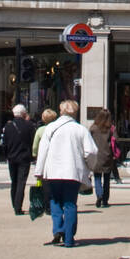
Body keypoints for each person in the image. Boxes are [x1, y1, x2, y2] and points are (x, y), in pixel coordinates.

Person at [35, 100, 98, 247]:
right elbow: (91, 151)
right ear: (75, 112)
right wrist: (90, 167)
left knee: (55, 200)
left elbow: (42, 151)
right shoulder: (80, 129)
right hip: (73, 171)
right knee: (70, 203)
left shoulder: (51, 128)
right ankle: (69, 238)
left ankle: (58, 229)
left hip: (53, 171)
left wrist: (39, 171)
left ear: (61, 111)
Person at [2, 104, 36, 215]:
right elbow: (32, 142)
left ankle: (14, 204)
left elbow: (5, 144)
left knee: (14, 181)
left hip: (12, 157)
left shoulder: (8, 126)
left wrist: (6, 155)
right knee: (21, 182)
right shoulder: (29, 126)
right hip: (24, 157)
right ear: (23, 113)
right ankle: (18, 206)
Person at [89, 109, 116, 208]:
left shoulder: (93, 128)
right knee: (107, 179)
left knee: (97, 177)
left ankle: (99, 195)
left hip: (96, 155)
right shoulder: (111, 128)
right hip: (107, 155)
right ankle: (105, 200)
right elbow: (116, 140)